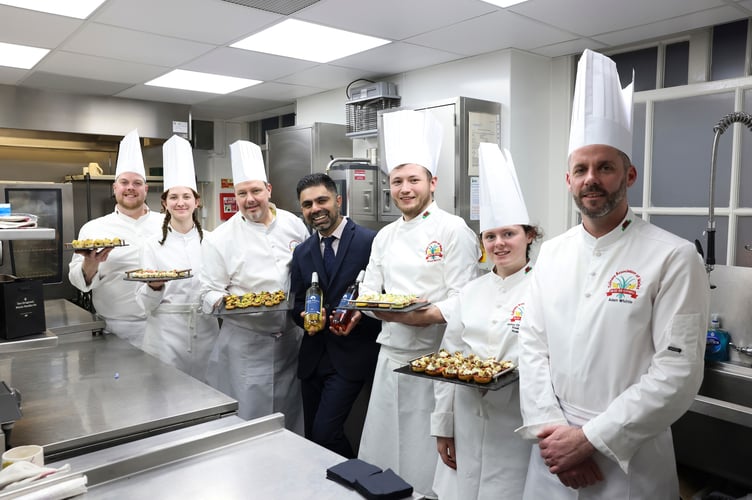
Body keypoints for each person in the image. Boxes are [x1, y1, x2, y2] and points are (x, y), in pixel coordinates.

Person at [516, 49, 710, 499]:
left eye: (605, 167)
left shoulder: (674, 257)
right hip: (552, 458)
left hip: (628, 461)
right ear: (568, 180)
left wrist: (590, 440)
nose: (591, 179)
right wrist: (554, 435)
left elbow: (677, 373)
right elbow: (532, 348)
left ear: (630, 174)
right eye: (581, 169)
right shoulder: (552, 254)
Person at [357, 109, 481, 498]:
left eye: (413, 179)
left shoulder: (453, 230)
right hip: (389, 356)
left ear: (433, 182)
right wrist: (384, 310)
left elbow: (465, 298)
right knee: (382, 446)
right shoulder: (385, 236)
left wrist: (419, 317)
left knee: (423, 457)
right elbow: (368, 294)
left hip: (433, 360)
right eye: (397, 181)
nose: (405, 188)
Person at [431, 143, 539, 500]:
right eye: (490, 236)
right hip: (466, 418)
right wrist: (442, 427)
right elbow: (448, 360)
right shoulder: (470, 292)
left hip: (518, 424)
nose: (499, 243)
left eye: (509, 233)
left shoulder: (545, 289)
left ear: (529, 236)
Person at [199, 140, 308, 433]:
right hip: (246, 345)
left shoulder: (294, 224)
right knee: (249, 423)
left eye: (256, 191)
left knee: (291, 417)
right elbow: (206, 292)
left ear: (268, 190)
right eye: (242, 193)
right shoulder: (220, 239)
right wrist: (227, 302)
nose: (250, 199)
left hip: (290, 342)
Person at [289, 173, 381, 458]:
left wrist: (358, 317)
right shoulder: (303, 252)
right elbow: (297, 301)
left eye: (322, 200)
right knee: (312, 439)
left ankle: (357, 479)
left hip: (353, 356)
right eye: (307, 204)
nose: (315, 209)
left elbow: (383, 297)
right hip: (313, 358)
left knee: (326, 433)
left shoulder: (370, 241)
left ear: (338, 200)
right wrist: (303, 317)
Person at [68, 129, 164, 347]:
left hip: (163, 324)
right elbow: (78, 282)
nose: (130, 188)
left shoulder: (166, 224)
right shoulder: (93, 228)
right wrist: (89, 264)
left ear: (146, 189)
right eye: (124, 182)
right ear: (115, 188)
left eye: (137, 183)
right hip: (117, 328)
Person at [137, 135, 219, 382]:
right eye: (173, 197)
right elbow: (145, 306)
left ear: (197, 202)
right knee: (165, 397)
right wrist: (155, 285)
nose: (180, 202)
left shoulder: (214, 241)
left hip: (207, 331)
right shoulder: (151, 245)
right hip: (164, 334)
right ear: (164, 204)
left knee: (211, 395)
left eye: (186, 197)